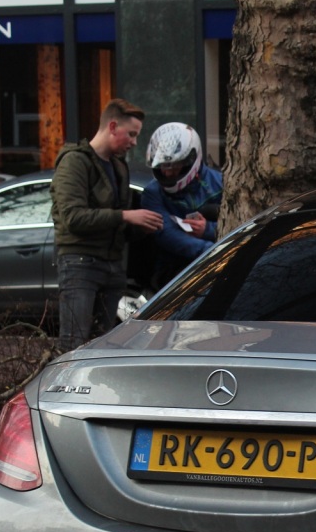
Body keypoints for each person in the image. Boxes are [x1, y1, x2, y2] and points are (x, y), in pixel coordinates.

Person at [51, 97, 163, 351]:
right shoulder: (75, 162)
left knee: (102, 344)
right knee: (74, 342)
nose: (134, 142)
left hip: (112, 265)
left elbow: (118, 222)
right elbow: (73, 217)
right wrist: (125, 216)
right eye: (131, 134)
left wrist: (141, 226)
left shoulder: (118, 167)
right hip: (80, 264)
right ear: (112, 127)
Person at [141, 122, 223, 289]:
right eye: (163, 166)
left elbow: (241, 222)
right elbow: (168, 235)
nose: (168, 172)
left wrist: (207, 229)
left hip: (220, 268)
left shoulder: (220, 183)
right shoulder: (152, 192)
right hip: (173, 274)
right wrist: (213, 251)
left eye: (175, 166)